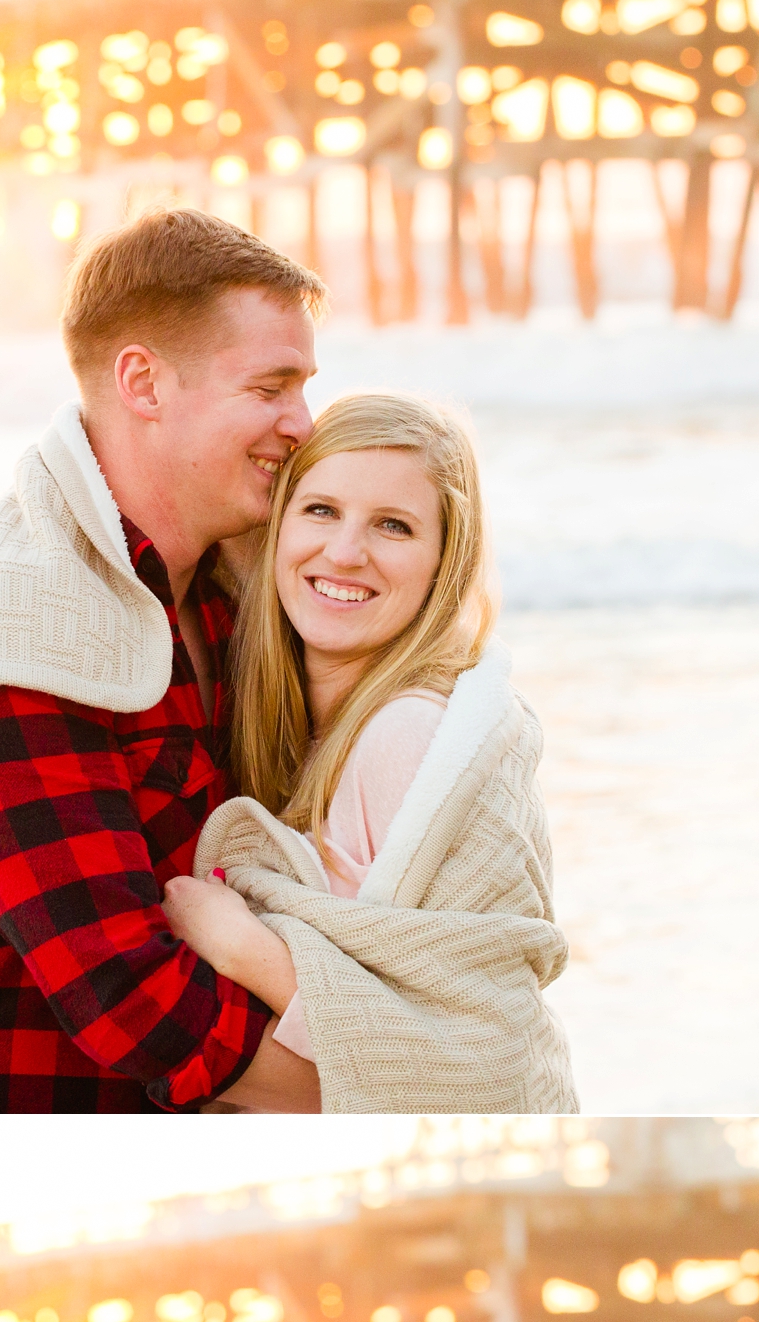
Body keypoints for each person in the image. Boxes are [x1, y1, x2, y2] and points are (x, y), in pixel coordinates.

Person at [0, 207, 329, 1113]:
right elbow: (130, 999)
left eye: (305, 387)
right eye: (271, 387)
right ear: (143, 382)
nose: (302, 423)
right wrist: (389, 1079)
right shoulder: (4, 631)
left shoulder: (234, 599)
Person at [161, 394, 578, 1115]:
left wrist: (243, 948)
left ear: (445, 562)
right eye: (320, 510)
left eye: (393, 525)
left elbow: (453, 1052)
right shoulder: (297, 727)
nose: (346, 551)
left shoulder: (406, 736)